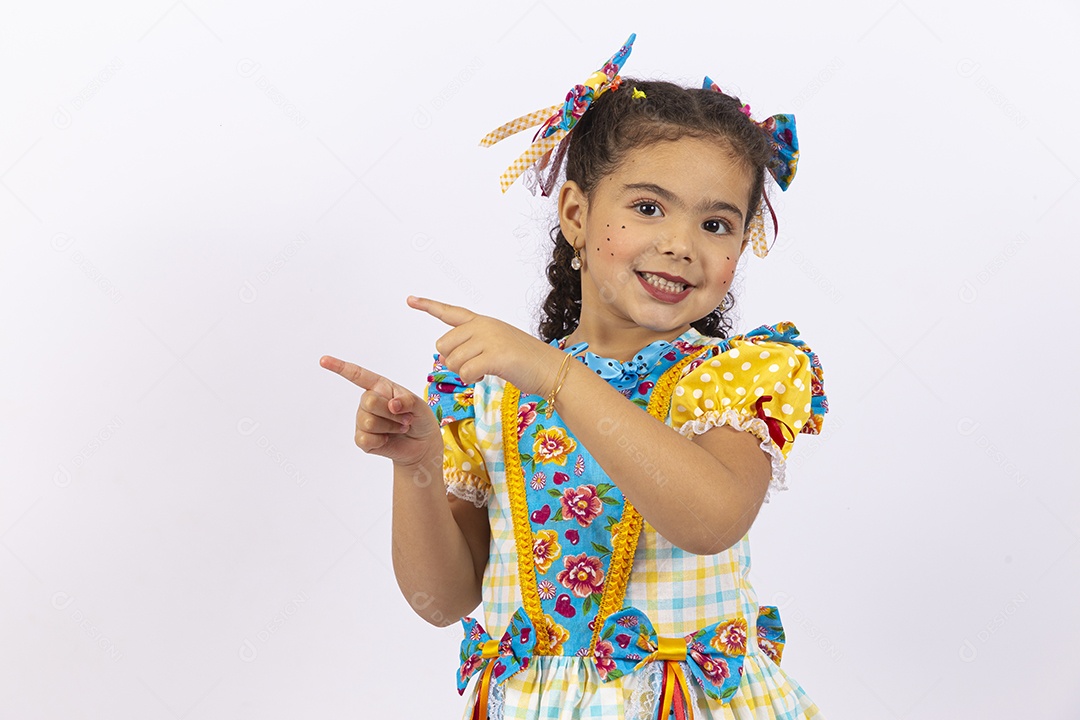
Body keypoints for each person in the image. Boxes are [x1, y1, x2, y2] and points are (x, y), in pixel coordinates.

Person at [321, 32, 829, 720]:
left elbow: (711, 520)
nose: (681, 244)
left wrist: (554, 374)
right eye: (648, 208)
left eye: (716, 224)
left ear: (742, 244)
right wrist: (416, 465)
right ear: (576, 214)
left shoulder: (734, 378)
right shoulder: (491, 393)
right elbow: (440, 601)